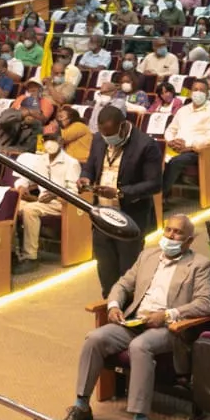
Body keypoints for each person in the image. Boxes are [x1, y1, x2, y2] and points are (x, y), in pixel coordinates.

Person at [61, 215, 210, 420]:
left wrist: (166, 315)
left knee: (139, 347)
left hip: (170, 330)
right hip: (135, 322)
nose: (170, 237)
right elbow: (123, 285)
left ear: (189, 241)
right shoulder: (148, 256)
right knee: (95, 338)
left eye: (177, 234)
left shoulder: (199, 264)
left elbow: (206, 304)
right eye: (168, 231)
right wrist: (113, 305)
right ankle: (82, 406)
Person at [79, 107, 164, 298]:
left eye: (111, 134)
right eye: (103, 134)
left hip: (130, 217)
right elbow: (90, 167)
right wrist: (85, 178)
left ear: (123, 126)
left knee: (128, 271)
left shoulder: (146, 145)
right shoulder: (99, 139)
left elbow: (154, 184)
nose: (107, 138)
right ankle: (110, 305)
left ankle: (130, 311)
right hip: (101, 215)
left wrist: (119, 193)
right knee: (106, 268)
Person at [13, 137, 83, 273]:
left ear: (61, 142)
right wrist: (22, 186)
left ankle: (30, 257)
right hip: (42, 201)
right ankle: (11, 253)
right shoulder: (41, 160)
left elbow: (73, 193)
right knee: (11, 205)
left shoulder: (71, 163)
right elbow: (24, 178)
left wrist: (55, 194)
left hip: (61, 203)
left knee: (29, 210)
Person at [160, 81, 210, 198]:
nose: (198, 93)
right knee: (153, 157)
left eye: (202, 90)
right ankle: (152, 195)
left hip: (195, 151)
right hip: (175, 147)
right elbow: (170, 130)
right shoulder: (183, 110)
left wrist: (188, 146)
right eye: (195, 89)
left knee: (175, 162)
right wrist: (172, 141)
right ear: (190, 93)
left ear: (207, 94)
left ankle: (159, 198)